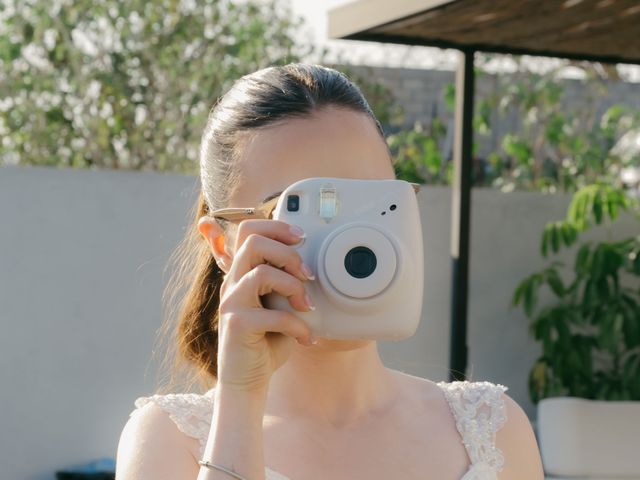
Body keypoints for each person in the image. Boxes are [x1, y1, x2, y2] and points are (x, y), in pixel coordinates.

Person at [115, 63, 545, 480]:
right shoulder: (171, 441)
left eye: (373, 202)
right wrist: (241, 400)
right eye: (299, 204)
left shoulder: (493, 428)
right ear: (222, 244)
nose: (350, 238)